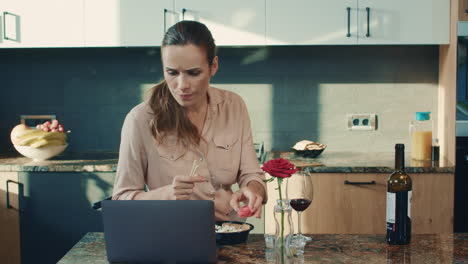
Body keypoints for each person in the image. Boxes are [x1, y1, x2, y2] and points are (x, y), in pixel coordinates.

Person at [112, 20, 267, 221]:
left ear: (213, 66)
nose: (182, 85)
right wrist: (168, 195)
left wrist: (253, 191)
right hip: (172, 236)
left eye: (193, 73)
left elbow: (251, 174)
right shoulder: (140, 119)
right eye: (172, 72)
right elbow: (121, 200)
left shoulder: (234, 106)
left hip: (232, 234)